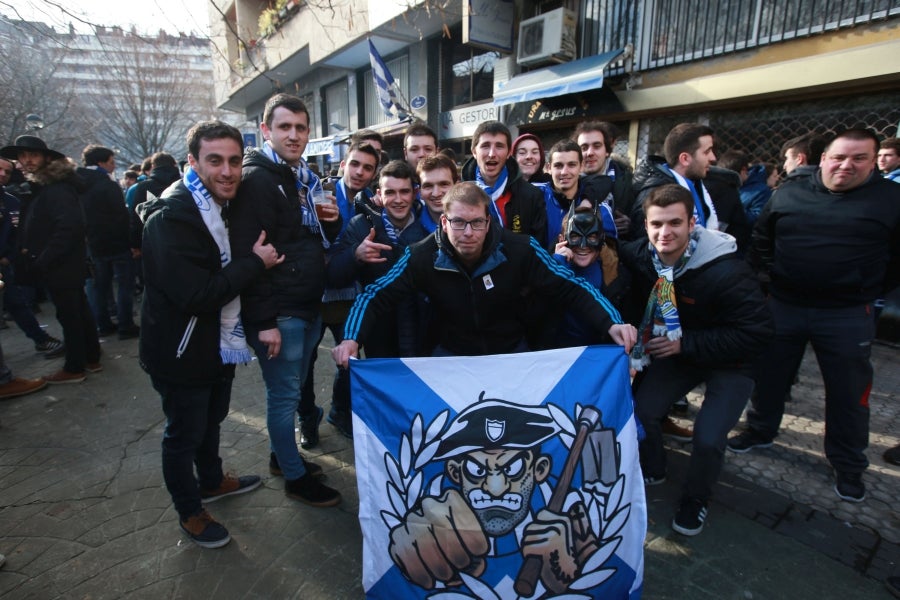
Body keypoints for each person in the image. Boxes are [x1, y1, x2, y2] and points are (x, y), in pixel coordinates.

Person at [728, 129, 900, 503]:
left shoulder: (891, 199)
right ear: (823, 159)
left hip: (846, 314)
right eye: (839, 157)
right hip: (785, 305)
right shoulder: (788, 192)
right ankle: (759, 431)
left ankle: (848, 464)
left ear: (873, 162)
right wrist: (770, 281)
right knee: (770, 376)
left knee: (849, 392)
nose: (846, 165)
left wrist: (864, 287)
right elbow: (762, 240)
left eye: (859, 158)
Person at [138, 120, 283, 549]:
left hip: (215, 345)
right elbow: (197, 295)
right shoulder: (172, 218)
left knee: (211, 419)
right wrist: (254, 263)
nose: (227, 171)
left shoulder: (217, 207)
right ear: (193, 162)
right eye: (215, 160)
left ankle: (213, 480)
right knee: (183, 435)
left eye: (234, 161)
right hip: (179, 351)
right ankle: (190, 511)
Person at [332, 181, 636, 368]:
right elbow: (376, 294)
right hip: (451, 355)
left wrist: (612, 321)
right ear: (443, 223)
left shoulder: (520, 248)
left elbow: (570, 285)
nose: (468, 232)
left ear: (488, 222)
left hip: (510, 351)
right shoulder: (420, 255)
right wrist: (350, 338)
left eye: (476, 222)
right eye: (458, 223)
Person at [623, 184, 772, 536]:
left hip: (733, 360)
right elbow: (612, 251)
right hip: (682, 353)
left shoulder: (728, 270)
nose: (665, 232)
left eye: (675, 223)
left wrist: (686, 344)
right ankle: (654, 468)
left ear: (693, 223)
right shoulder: (643, 255)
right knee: (642, 410)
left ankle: (696, 498)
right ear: (645, 226)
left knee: (708, 437)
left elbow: (759, 332)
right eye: (656, 224)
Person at [230, 93, 343, 507]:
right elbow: (249, 255)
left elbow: (302, 239)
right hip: (281, 310)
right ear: (266, 130)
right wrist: (264, 321)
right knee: (283, 397)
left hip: (304, 302)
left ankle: (283, 459)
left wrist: (332, 224)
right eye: (284, 127)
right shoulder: (258, 179)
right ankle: (295, 479)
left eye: (300, 128)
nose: (293, 135)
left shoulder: (300, 176)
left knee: (291, 394)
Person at [0, 135, 101, 384]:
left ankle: (75, 366)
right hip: (62, 264)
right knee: (78, 311)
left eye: (32, 155)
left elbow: (69, 228)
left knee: (70, 316)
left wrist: (42, 259)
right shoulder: (46, 186)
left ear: (46, 158)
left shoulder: (56, 188)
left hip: (61, 265)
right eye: (23, 156)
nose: (27, 160)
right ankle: (90, 357)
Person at [299, 141, 380, 446]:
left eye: (368, 168)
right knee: (304, 363)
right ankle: (307, 417)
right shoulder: (319, 192)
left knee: (350, 359)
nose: (360, 172)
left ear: (373, 173)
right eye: (355, 164)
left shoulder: (371, 202)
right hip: (313, 294)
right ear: (344, 164)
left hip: (349, 294)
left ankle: (339, 411)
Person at [326, 160, 429, 358]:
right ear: (380, 194)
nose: (398, 199)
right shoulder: (361, 226)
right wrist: (355, 255)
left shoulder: (427, 227)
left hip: (421, 333)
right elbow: (334, 277)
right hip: (378, 334)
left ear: (414, 193)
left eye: (404, 192)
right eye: (390, 192)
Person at [0, 156, 63, 357]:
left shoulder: (11, 201)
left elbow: (17, 233)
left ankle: (41, 339)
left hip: (5, 265)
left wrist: (10, 255)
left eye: (7, 171)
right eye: (0, 169)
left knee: (17, 303)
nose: (3, 174)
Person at [77, 145, 140, 340]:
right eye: (111, 162)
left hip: (92, 244)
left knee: (98, 287)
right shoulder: (107, 185)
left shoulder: (76, 184)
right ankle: (125, 324)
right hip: (117, 243)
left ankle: (102, 324)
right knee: (124, 286)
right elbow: (121, 216)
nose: (114, 166)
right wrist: (132, 242)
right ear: (101, 163)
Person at [461, 121, 547, 247]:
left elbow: (537, 247)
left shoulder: (531, 195)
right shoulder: (459, 194)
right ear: (474, 152)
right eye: (485, 146)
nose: (492, 154)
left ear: (508, 153)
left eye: (499, 146)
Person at [575, 121, 635, 238]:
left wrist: (631, 226)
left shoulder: (628, 181)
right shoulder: (568, 182)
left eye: (597, 146)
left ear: (607, 151)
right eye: (584, 148)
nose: (590, 153)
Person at [416, 153, 459, 234]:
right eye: (428, 186)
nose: (436, 193)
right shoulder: (409, 236)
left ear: (456, 186)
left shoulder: (475, 225)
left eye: (443, 184)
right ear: (419, 192)